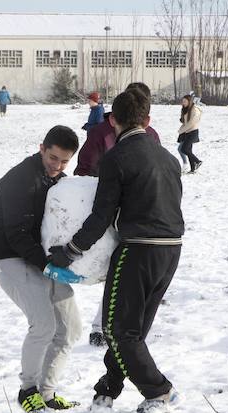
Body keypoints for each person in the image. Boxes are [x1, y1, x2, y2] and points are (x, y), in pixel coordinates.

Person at [48, 87, 184, 413]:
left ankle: (159, 391)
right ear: (147, 120)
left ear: (113, 121)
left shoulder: (117, 159)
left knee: (117, 330)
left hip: (138, 249)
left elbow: (101, 217)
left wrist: (70, 252)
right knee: (132, 329)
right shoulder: (168, 157)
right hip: (172, 249)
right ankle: (107, 389)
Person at [0, 126, 82, 413]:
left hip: (44, 260)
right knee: (43, 325)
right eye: (53, 157)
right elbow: (16, 234)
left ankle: (47, 391)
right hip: (11, 259)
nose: (57, 166)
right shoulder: (19, 180)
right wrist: (48, 266)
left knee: (70, 329)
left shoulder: (61, 183)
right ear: (42, 148)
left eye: (65, 161)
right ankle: (27, 389)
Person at [74, 82, 161, 347]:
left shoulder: (152, 136)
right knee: (112, 270)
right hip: (105, 208)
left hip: (137, 214)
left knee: (125, 274)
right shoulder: (101, 133)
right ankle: (101, 326)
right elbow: (84, 168)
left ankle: (115, 325)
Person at [178, 94, 203, 173]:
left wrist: (181, 130)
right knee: (188, 150)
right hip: (187, 132)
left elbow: (191, 123)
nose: (183, 103)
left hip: (193, 132)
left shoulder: (195, 110)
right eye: (182, 101)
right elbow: (185, 122)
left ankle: (197, 161)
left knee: (184, 149)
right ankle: (193, 169)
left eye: (185, 101)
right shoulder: (186, 109)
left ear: (189, 101)